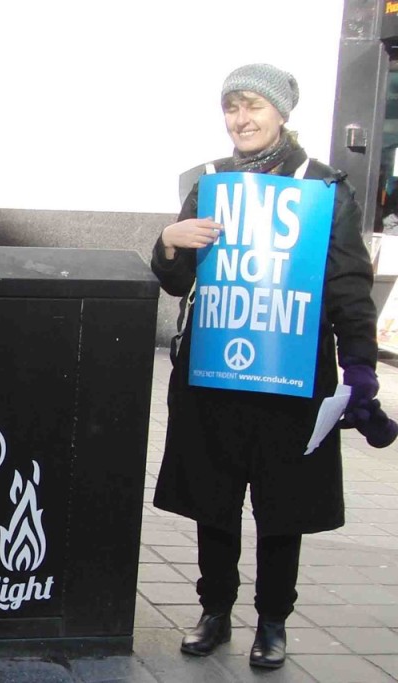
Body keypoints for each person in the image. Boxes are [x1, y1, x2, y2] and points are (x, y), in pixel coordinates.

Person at [151, 63, 398, 669]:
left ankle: (272, 621)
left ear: (282, 114)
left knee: (282, 507)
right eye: (232, 107)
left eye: (253, 107)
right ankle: (214, 610)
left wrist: (360, 367)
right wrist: (168, 240)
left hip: (290, 377)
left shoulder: (322, 187)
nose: (241, 120)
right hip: (214, 372)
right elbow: (178, 281)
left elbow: (346, 284)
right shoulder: (209, 182)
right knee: (213, 500)